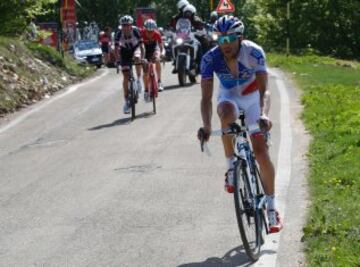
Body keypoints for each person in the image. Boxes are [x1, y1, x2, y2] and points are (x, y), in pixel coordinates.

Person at [198, 15, 283, 233]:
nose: (224, 44)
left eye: (230, 38)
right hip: (229, 97)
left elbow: (265, 90)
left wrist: (264, 115)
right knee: (225, 115)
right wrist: (206, 126)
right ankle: (230, 168)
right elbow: (206, 99)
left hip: (253, 97)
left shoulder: (253, 52)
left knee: (261, 151)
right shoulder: (209, 59)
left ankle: (272, 207)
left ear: (240, 37)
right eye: (220, 38)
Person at [115, 15, 145, 114]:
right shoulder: (119, 33)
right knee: (126, 76)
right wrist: (117, 60)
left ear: (131, 25)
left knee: (137, 57)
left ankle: (139, 79)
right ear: (121, 26)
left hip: (135, 49)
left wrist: (143, 57)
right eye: (124, 25)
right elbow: (116, 49)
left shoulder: (136, 31)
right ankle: (127, 101)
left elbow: (142, 46)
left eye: (127, 25)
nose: (126, 27)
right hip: (124, 52)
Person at [141, 19, 165, 102]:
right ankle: (146, 90)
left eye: (152, 32)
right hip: (145, 50)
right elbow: (139, 46)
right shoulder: (141, 33)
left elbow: (160, 46)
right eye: (148, 31)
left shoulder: (157, 33)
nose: (150, 33)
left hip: (154, 48)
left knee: (157, 60)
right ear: (145, 29)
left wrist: (161, 54)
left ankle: (159, 81)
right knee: (145, 71)